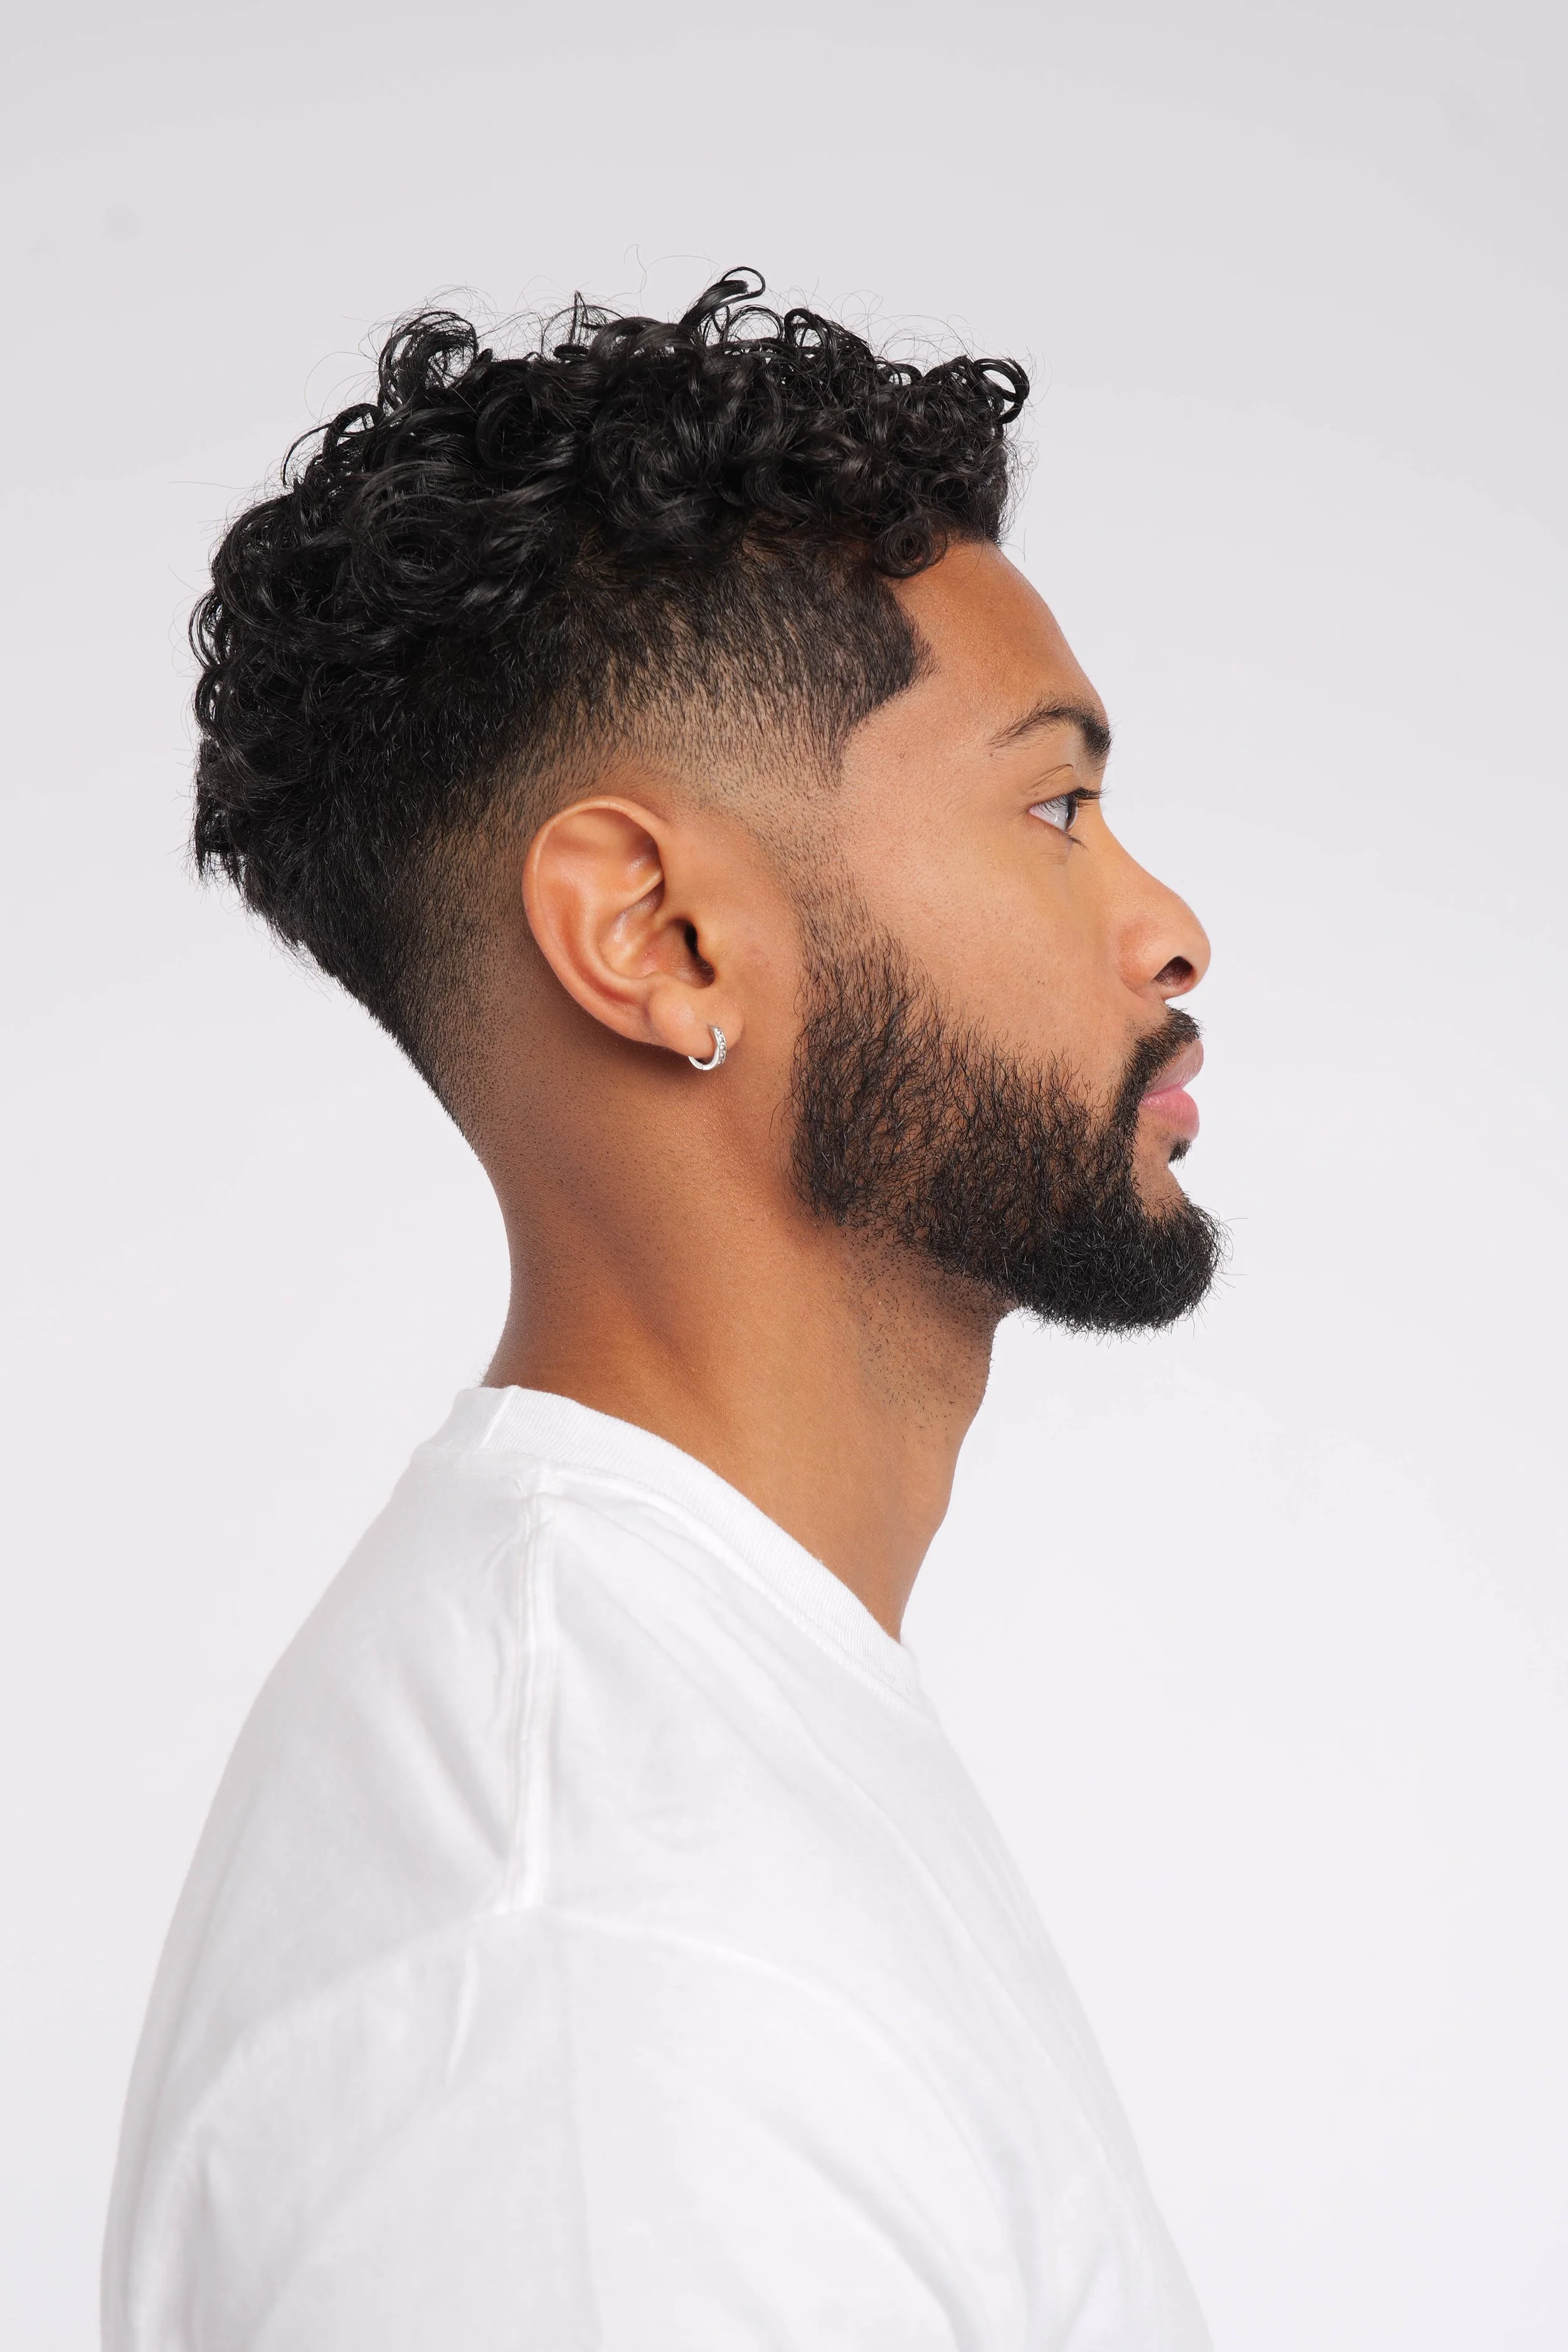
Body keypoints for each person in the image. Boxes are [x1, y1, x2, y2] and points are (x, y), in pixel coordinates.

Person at [103, 270, 1222, 2352]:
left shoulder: (690, 1754)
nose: (1167, 925)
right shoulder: (596, 1989)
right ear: (660, 937)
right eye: (1053, 809)